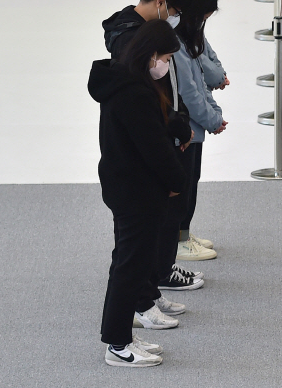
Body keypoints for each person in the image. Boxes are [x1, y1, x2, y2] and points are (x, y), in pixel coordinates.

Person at [89, 20, 191, 368]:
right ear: (150, 55)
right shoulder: (133, 92)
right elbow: (154, 147)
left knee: (129, 263)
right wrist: (178, 179)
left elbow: (154, 128)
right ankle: (117, 345)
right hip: (135, 191)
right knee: (130, 266)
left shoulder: (126, 82)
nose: (165, 64)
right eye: (164, 57)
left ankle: (122, 336)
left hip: (127, 186)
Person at [163, 0, 227, 260]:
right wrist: (214, 79)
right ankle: (177, 238)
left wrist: (216, 74)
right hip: (181, 109)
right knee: (182, 177)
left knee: (192, 176)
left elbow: (201, 41)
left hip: (194, 101)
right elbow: (189, 52)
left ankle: (183, 232)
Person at [103, 0, 191, 62]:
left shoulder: (135, 26)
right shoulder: (133, 39)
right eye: (176, 13)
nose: (176, 17)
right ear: (160, 3)